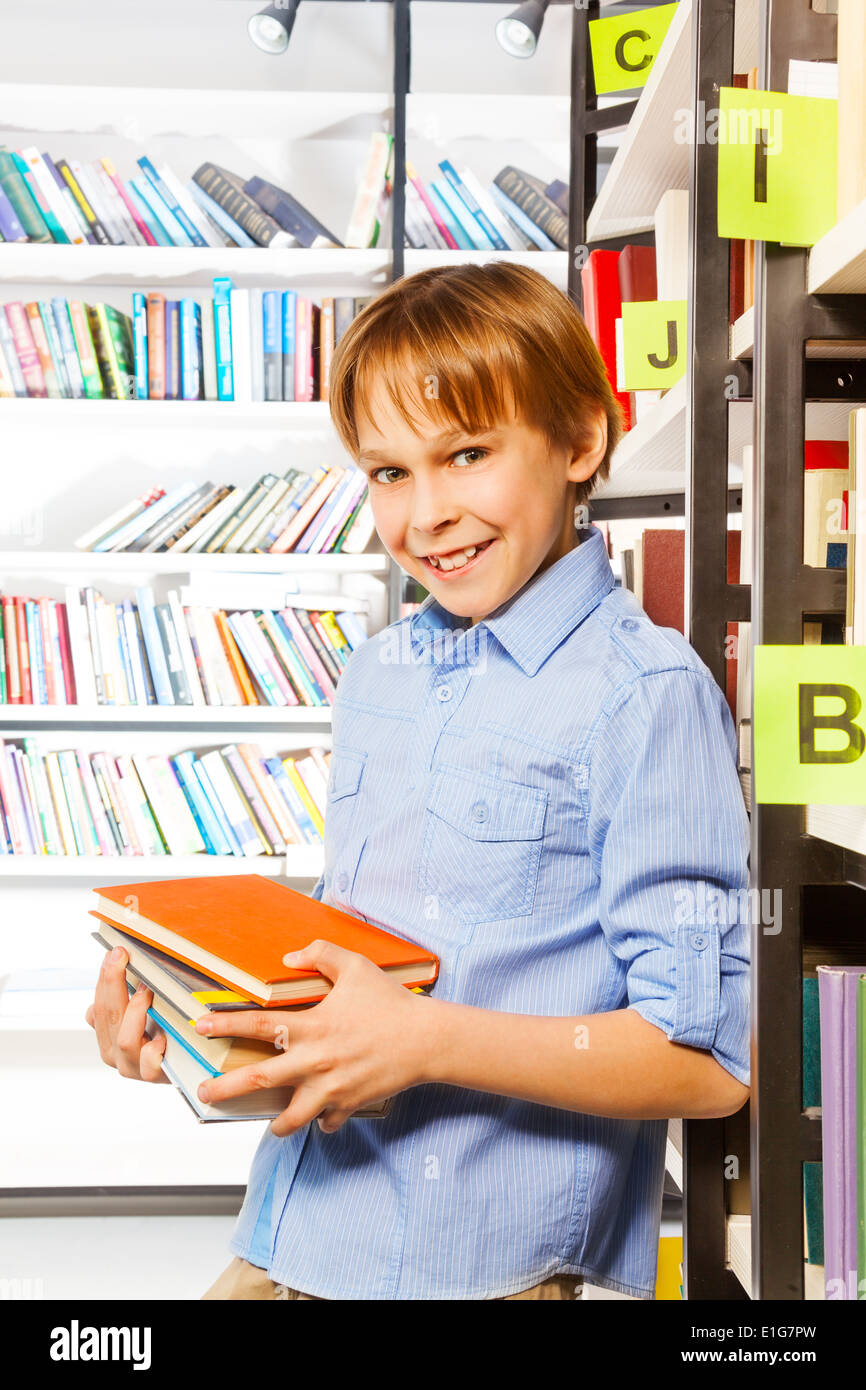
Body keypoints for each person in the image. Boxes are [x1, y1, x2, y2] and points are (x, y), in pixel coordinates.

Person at [87, 262, 750, 1301]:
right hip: (287, 1236)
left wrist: (429, 1044)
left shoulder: (645, 694)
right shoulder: (380, 672)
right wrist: (185, 1019)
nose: (425, 513)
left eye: (467, 454)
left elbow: (702, 1059)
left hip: (474, 1273)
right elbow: (357, 969)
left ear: (580, 441)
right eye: (388, 472)